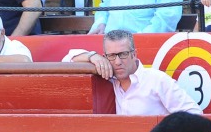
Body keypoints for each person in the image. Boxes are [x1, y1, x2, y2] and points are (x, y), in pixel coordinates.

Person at [64, 29, 201, 115]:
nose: (117, 62)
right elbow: (66, 60)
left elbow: (194, 114)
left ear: (134, 54)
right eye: (111, 56)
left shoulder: (157, 80)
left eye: (123, 54)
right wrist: (92, 56)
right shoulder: (109, 78)